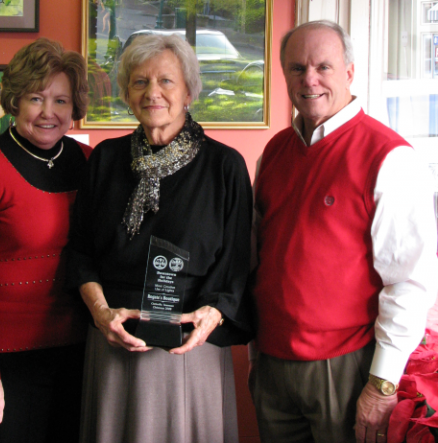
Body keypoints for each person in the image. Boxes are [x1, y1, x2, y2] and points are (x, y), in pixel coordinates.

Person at [249, 20, 438, 443]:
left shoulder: (390, 157)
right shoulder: (275, 151)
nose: (309, 79)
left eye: (323, 67)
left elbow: (410, 282)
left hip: (345, 369)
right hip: (272, 364)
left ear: (350, 71)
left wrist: (382, 383)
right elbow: (259, 255)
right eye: (297, 68)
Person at [66, 34, 253, 443]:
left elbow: (238, 265)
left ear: (189, 90)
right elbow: (80, 252)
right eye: (139, 82)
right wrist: (101, 313)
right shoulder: (104, 159)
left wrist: (211, 318)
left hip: (190, 349)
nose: (153, 92)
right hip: (113, 342)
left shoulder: (225, 166)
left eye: (166, 81)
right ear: (126, 94)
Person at [0, 38, 92, 443]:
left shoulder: (88, 163)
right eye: (36, 98)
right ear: (15, 101)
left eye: (61, 101)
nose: (49, 113)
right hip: (6, 363)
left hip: (80, 355)